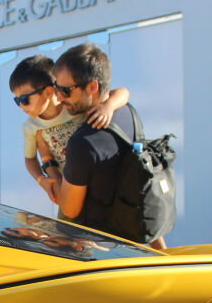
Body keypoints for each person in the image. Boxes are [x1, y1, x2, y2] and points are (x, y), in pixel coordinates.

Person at [49, 43, 168, 249]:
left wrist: (48, 178)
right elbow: (122, 92)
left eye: (66, 91)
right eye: (57, 88)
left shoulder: (83, 142)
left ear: (93, 87)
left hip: (96, 254)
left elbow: (70, 209)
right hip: (132, 242)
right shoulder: (127, 112)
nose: (59, 98)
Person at [9, 54, 128, 204]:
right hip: (68, 187)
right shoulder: (31, 127)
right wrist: (41, 180)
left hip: (95, 180)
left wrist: (108, 106)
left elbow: (123, 92)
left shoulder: (72, 106)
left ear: (48, 92)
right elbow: (30, 159)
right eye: (16, 100)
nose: (21, 106)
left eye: (24, 99)